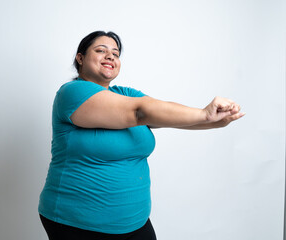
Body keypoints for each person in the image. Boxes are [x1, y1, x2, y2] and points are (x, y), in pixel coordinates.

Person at [38, 31, 245, 240]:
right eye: (101, 50)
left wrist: (213, 121)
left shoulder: (125, 94)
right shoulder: (72, 93)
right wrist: (203, 114)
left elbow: (161, 114)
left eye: (115, 54)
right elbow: (139, 112)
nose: (110, 56)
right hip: (77, 223)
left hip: (135, 221)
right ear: (80, 58)